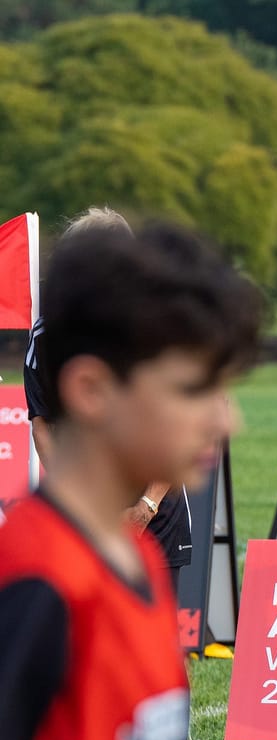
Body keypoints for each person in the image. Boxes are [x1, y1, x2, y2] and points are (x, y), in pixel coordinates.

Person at [0, 222, 260, 740]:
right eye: (193, 388)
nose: (228, 419)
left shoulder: (141, 576)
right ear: (90, 389)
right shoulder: (35, 589)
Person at [24, 206, 194, 595]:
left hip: (158, 515)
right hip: (86, 514)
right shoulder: (46, 335)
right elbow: (43, 427)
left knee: (157, 648)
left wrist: (146, 506)